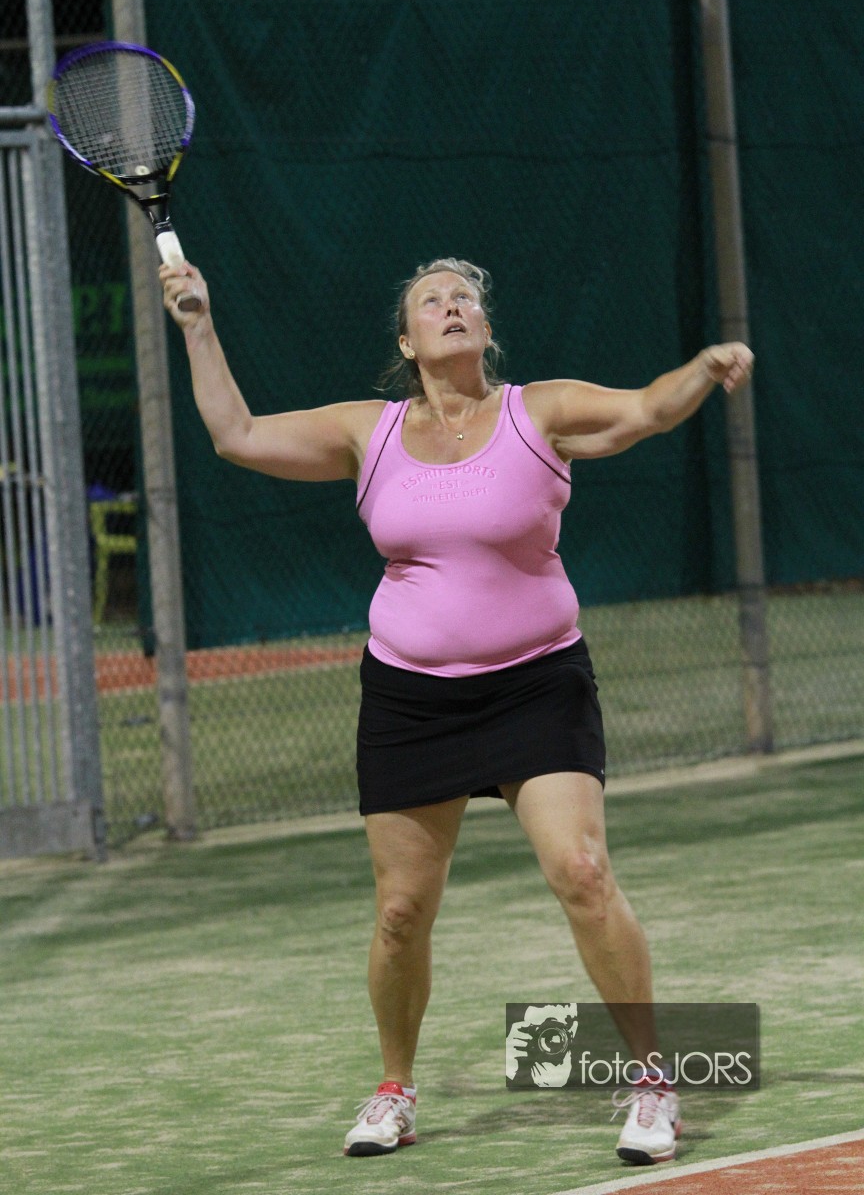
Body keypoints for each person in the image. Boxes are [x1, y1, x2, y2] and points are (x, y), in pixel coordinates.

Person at [160, 255, 754, 1166]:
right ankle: (395, 1089)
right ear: (407, 341)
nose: (451, 305)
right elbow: (236, 435)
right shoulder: (369, 432)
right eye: (431, 300)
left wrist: (702, 370)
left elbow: (645, 410)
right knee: (401, 912)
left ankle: (652, 1083)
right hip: (411, 700)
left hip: (537, 684)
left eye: (465, 297)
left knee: (583, 872)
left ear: (484, 329)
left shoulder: (537, 413)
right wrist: (198, 325)